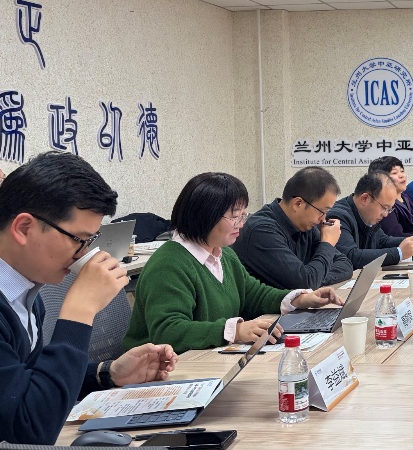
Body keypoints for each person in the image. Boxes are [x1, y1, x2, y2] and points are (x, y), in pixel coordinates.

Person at [0, 152, 178, 445]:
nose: (84, 254)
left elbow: (27, 384)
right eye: (79, 240)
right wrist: (79, 310)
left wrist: (106, 373)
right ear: (24, 228)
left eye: (91, 241)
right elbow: (30, 431)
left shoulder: (25, 293)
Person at [124, 173, 344, 354]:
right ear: (206, 216)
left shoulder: (224, 254)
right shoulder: (169, 263)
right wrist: (234, 331)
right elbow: (168, 331)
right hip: (159, 372)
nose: (241, 224)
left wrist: (300, 299)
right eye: (235, 217)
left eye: (243, 215)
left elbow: (253, 294)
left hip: (207, 359)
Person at [233, 167, 351, 290]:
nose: (323, 219)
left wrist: (317, 278)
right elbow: (306, 283)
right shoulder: (261, 230)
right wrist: (327, 244)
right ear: (297, 204)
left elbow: (345, 264)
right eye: (322, 211)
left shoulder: (306, 226)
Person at [328, 172, 413, 268]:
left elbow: (383, 241)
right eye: (384, 207)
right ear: (364, 198)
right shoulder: (338, 217)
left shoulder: (368, 214)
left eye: (389, 209)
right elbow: (351, 256)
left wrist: (412, 244)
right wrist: (399, 253)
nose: (386, 214)